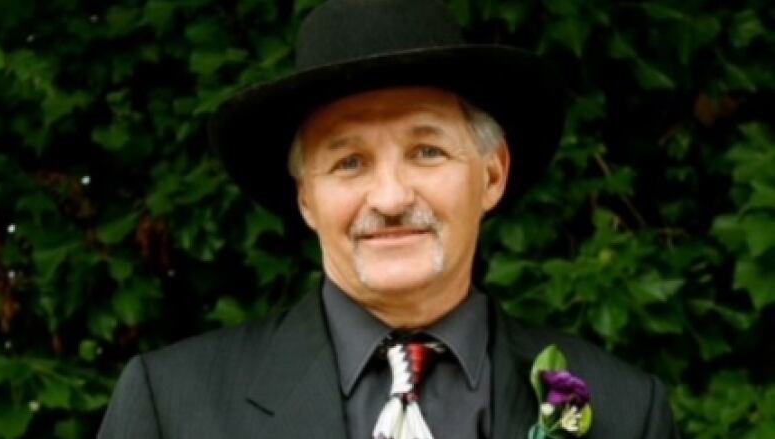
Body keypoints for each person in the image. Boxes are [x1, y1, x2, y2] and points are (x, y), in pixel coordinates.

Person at [97, 0, 678, 438]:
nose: (392, 196)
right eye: (349, 162)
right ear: (306, 198)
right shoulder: (171, 406)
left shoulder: (626, 409)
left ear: (492, 174)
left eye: (427, 151)